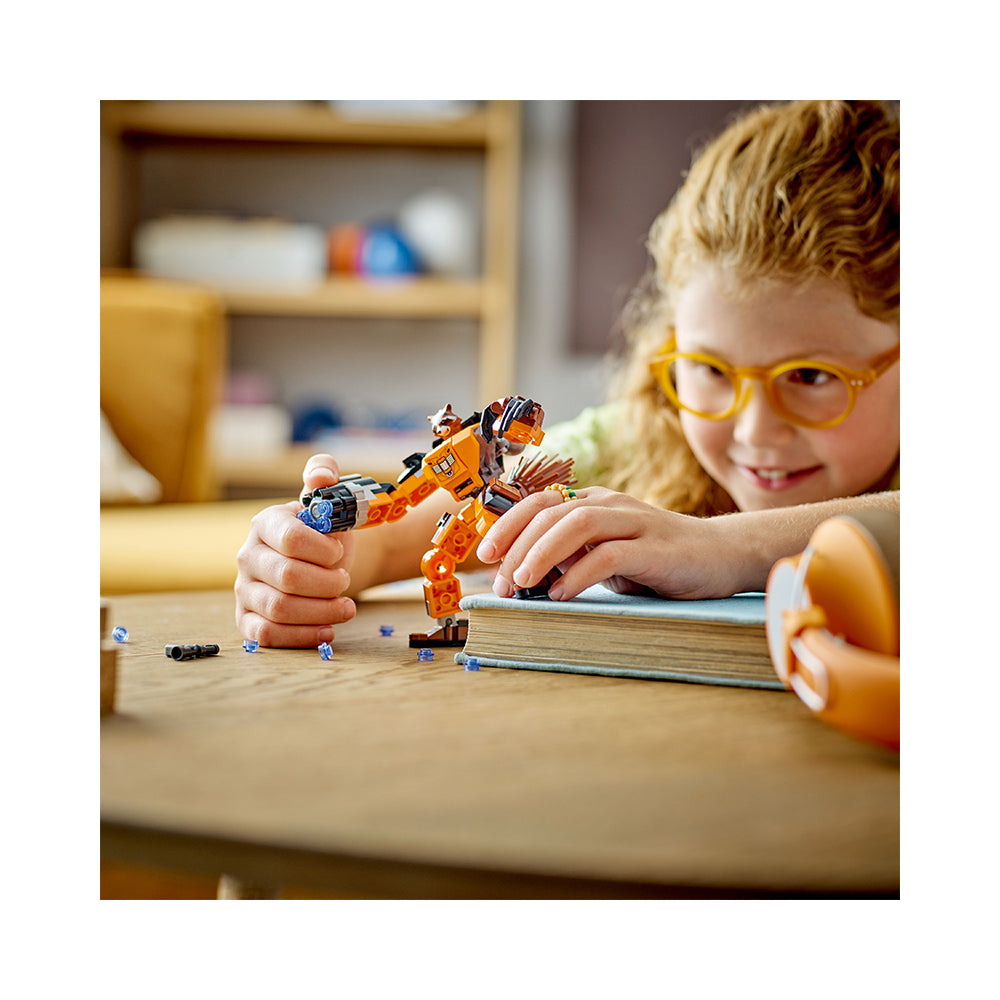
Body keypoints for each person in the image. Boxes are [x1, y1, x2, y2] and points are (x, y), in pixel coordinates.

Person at [235, 99, 900, 648]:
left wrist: (722, 548)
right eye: (708, 369)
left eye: (811, 377)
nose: (754, 431)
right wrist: (316, 561)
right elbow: (391, 543)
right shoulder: (632, 440)